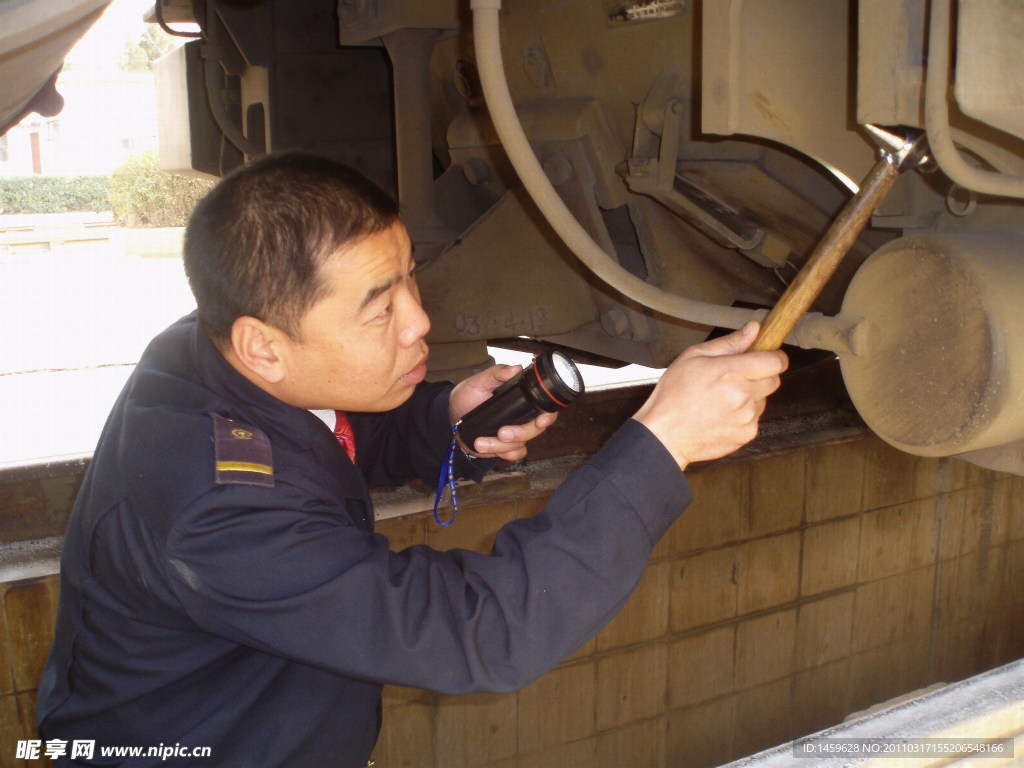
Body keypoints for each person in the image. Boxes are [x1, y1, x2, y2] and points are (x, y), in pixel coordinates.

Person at [37, 152, 787, 767]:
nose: (420, 321)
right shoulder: (217, 512)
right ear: (262, 344)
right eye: (379, 308)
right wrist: (664, 441)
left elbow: (322, 442)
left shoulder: (205, 350)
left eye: (409, 279)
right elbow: (482, 633)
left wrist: (442, 423)